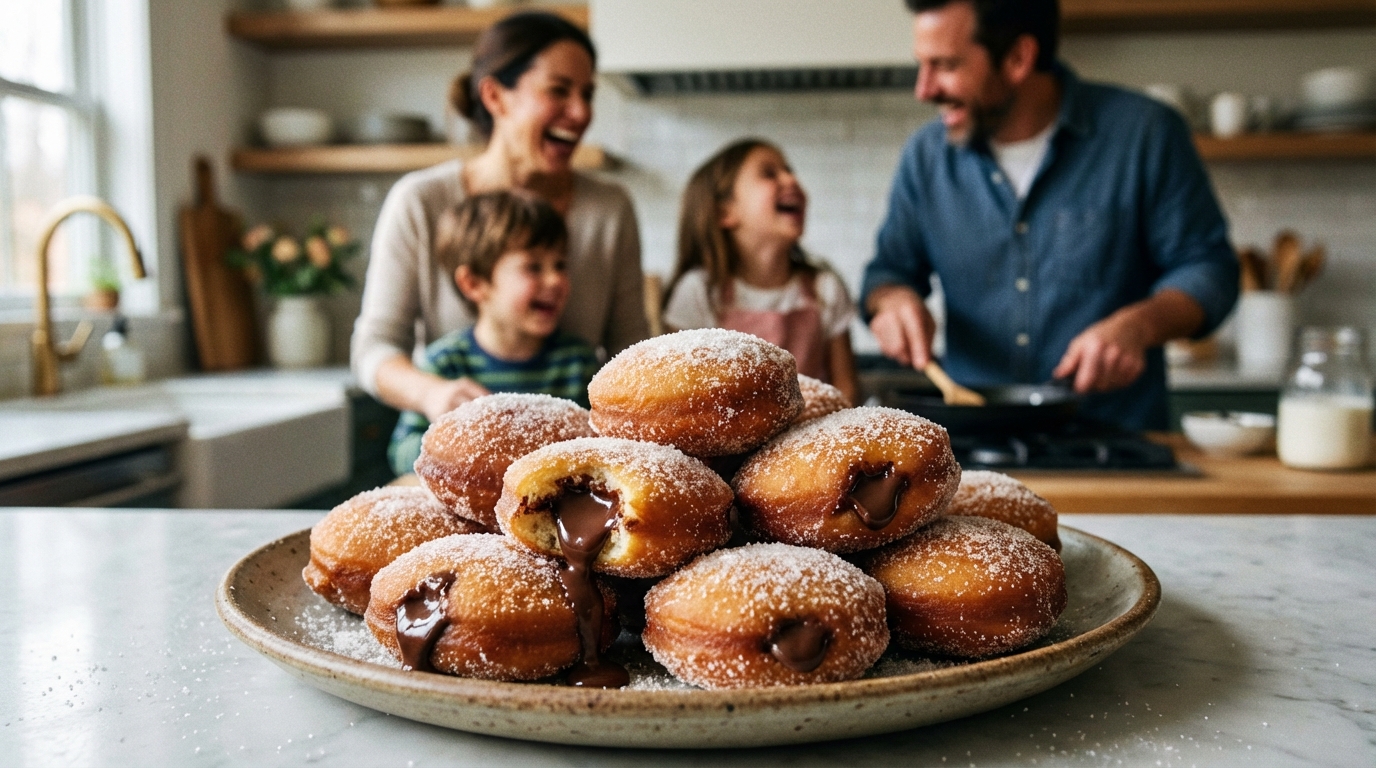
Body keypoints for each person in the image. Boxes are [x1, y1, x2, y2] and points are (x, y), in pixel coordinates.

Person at [861, 0, 1239, 431]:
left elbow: (1210, 269)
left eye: (945, 65)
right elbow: (887, 273)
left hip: (1113, 438)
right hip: (973, 445)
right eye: (921, 65)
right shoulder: (925, 157)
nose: (924, 90)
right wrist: (893, 301)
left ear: (1019, 58)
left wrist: (1139, 325)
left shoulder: (1145, 135)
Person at [352, 11, 647, 426]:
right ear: (495, 97)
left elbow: (631, 354)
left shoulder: (610, 209)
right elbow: (374, 349)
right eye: (559, 91)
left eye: (588, 94)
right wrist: (433, 393)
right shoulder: (420, 201)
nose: (581, 113)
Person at [387, 191, 600, 476]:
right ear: (474, 283)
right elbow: (400, 452)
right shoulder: (444, 365)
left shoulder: (577, 362)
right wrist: (454, 447)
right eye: (533, 267)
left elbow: (600, 447)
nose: (556, 279)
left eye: (560, 265)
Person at [663, 139, 860, 404]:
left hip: (809, 440)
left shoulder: (825, 288)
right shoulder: (699, 292)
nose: (791, 179)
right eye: (769, 173)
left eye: (790, 170)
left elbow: (846, 389)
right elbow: (677, 393)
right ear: (725, 212)